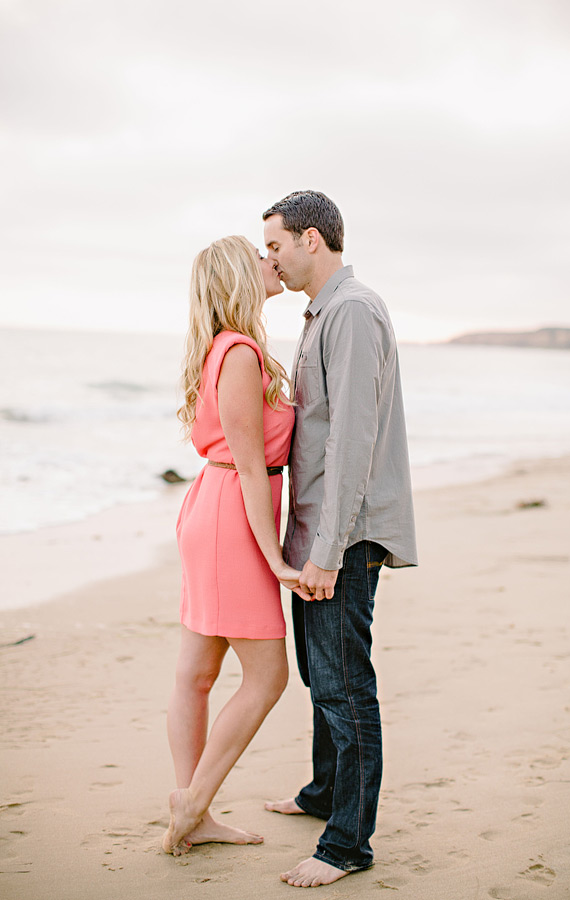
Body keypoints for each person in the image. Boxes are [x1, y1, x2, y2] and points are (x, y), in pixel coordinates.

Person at [262, 191, 418, 888]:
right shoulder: (322, 313)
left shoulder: (351, 312)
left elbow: (352, 442)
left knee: (345, 688)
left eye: (275, 246)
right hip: (318, 532)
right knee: (321, 678)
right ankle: (325, 792)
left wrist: (325, 551)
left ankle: (347, 844)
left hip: (340, 538)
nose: (271, 258)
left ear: (312, 241)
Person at [162, 235, 309, 856]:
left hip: (212, 507)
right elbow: (253, 467)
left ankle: (193, 808)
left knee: (196, 673)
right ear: (238, 277)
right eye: (259, 255)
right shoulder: (241, 353)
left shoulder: (223, 347)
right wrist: (275, 558)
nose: (270, 261)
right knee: (268, 675)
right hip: (232, 516)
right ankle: (192, 805)